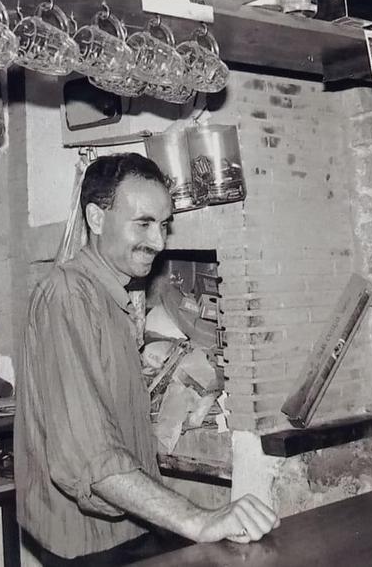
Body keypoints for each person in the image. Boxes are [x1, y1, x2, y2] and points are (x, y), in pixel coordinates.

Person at [16, 153, 279, 564]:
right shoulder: (68, 296)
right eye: (143, 223)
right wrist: (197, 521)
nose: (158, 242)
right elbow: (91, 457)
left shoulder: (109, 296)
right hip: (92, 545)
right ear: (96, 218)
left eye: (163, 225)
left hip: (128, 531)